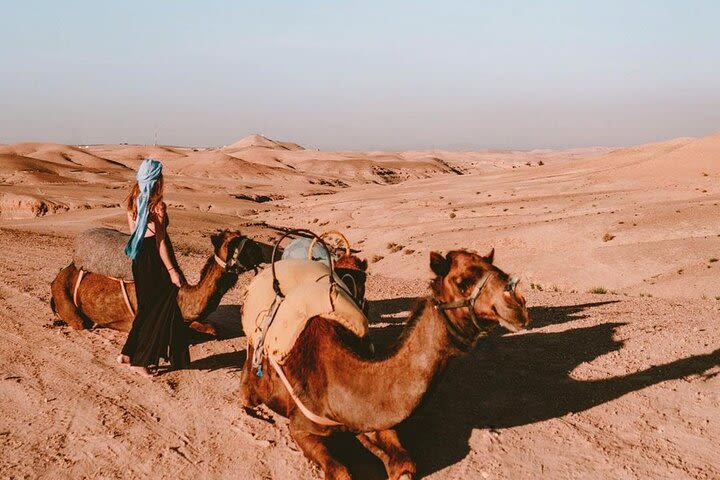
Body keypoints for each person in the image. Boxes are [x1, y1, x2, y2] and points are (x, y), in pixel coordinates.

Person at [116, 159, 190, 377]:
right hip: (154, 260)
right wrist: (172, 271)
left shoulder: (132, 202)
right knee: (160, 304)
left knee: (146, 307)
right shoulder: (157, 205)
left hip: (139, 260)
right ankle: (141, 360)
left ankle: (128, 353)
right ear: (157, 179)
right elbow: (160, 243)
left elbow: (135, 236)